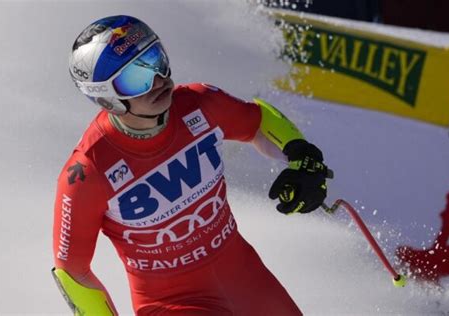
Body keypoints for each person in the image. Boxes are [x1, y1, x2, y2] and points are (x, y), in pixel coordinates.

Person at [52, 15, 331, 315]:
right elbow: (72, 270)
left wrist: (302, 158)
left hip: (249, 284)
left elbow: (256, 122)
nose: (158, 80)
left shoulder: (199, 103)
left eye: (156, 59)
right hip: (172, 305)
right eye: (136, 77)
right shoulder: (87, 171)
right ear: (106, 98)